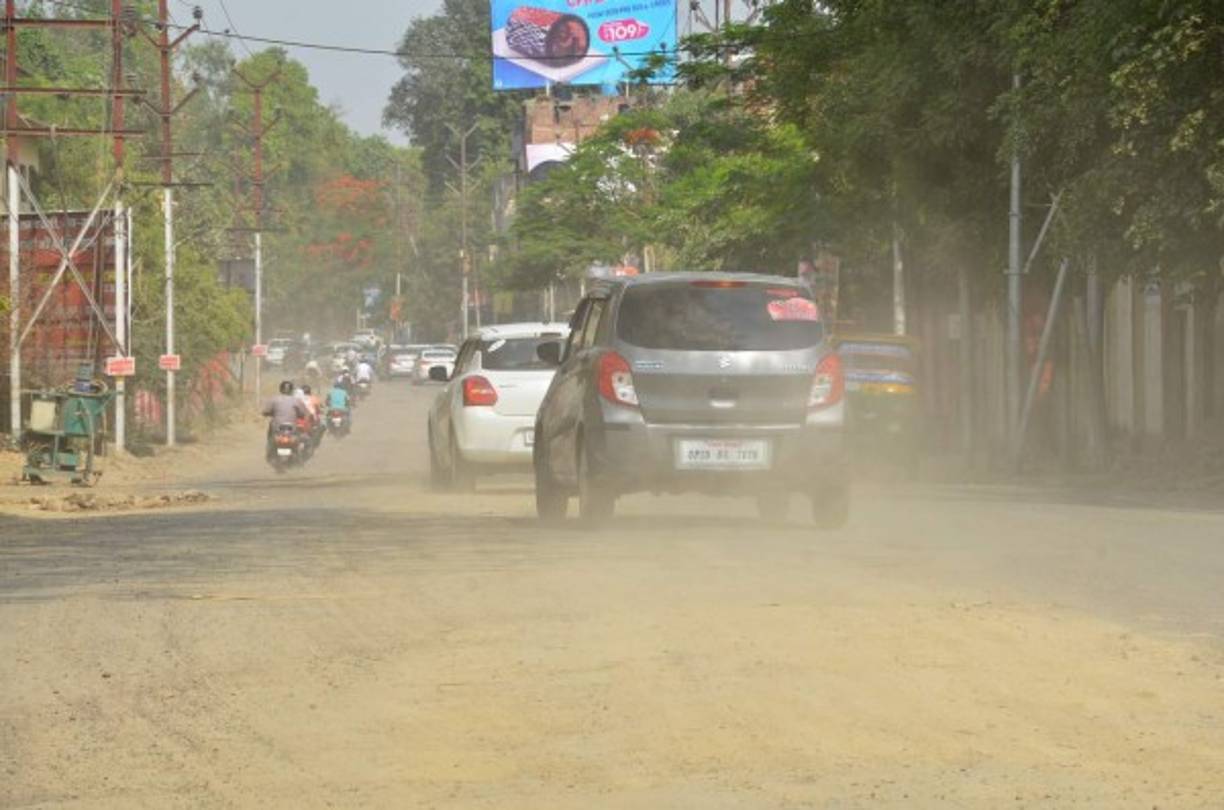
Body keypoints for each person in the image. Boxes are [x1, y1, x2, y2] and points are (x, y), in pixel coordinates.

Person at [262, 380, 308, 461]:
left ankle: (269, 449)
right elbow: (303, 413)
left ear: (280, 389)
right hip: (292, 429)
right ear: (291, 390)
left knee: (271, 434)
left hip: (277, 429)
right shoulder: (297, 400)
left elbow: (265, 412)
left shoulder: (274, 399)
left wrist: (270, 414)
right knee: (300, 436)